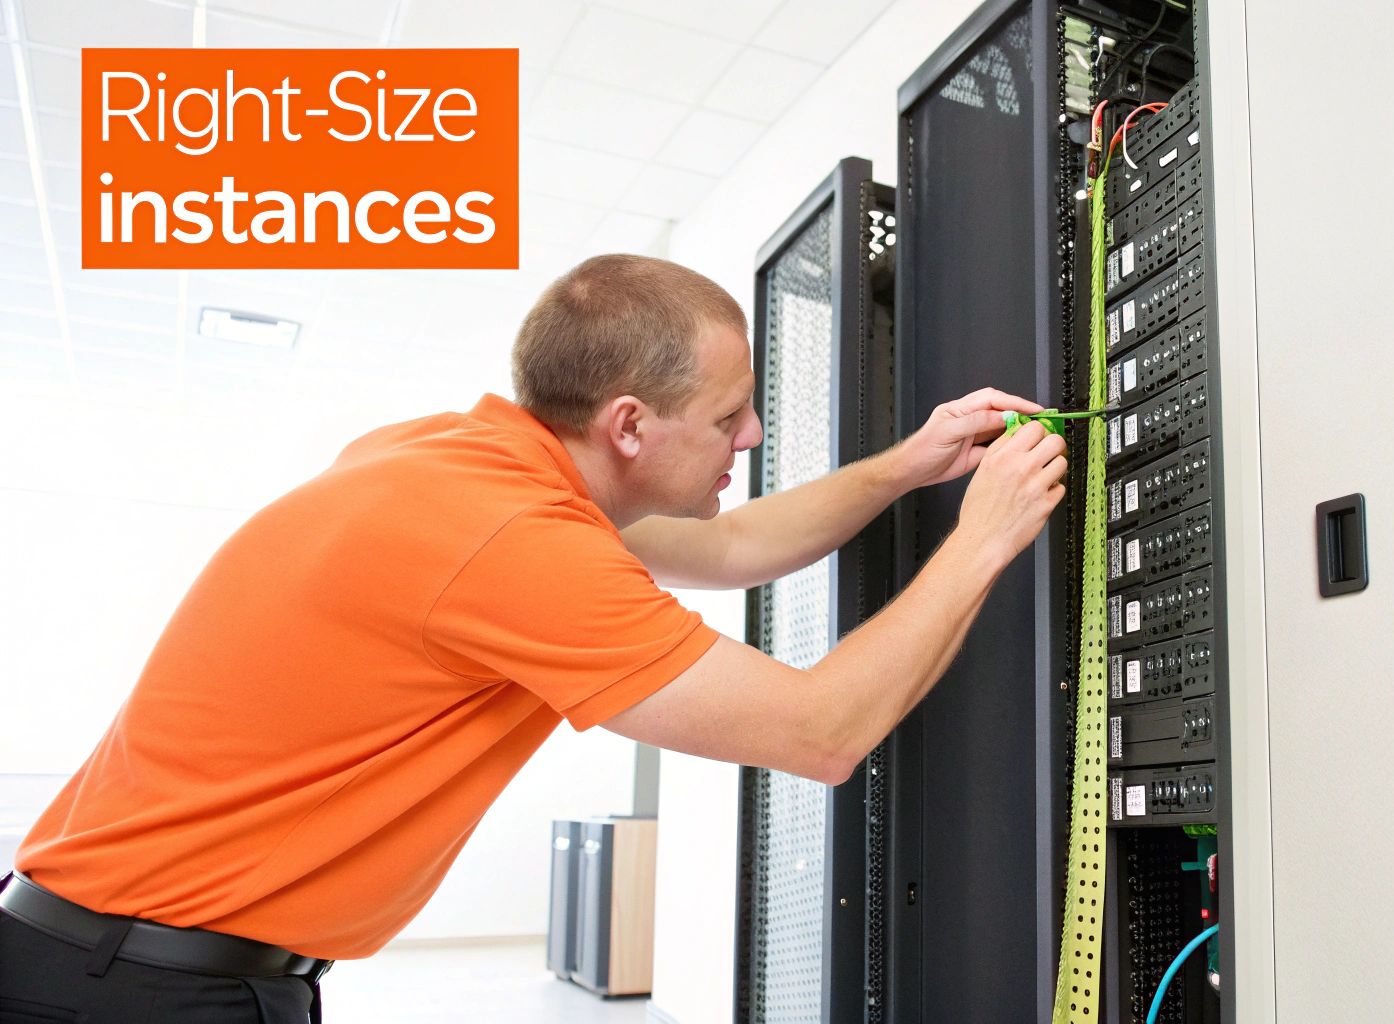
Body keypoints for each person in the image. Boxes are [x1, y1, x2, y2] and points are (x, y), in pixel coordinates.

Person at [0, 255, 1068, 1022]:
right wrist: (985, 536)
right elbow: (820, 732)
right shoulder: (515, 542)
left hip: (121, 958)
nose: (750, 435)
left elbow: (733, 545)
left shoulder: (452, 458)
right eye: (728, 415)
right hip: (138, 985)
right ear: (628, 425)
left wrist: (908, 465)